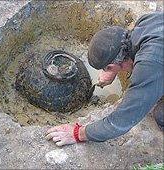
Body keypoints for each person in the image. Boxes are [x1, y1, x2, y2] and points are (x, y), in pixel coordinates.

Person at [45, 12, 164, 146]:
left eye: (106, 68)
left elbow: (120, 122)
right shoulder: (146, 21)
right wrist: (112, 70)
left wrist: (78, 133)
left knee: (160, 115)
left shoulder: (151, 64)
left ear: (112, 65)